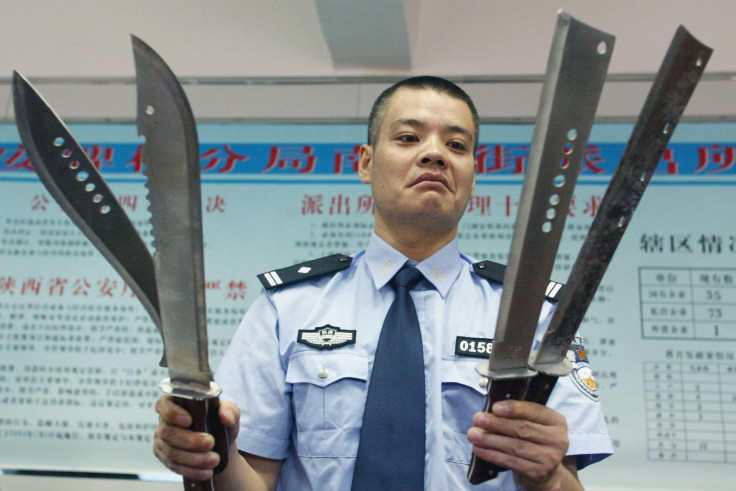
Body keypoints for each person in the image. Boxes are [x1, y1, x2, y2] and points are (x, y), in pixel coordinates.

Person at [153, 76, 613, 490]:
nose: (434, 154)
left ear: (474, 174)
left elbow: (566, 485)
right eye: (409, 137)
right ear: (366, 163)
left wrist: (549, 477)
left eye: (457, 146)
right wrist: (212, 455)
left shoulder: (534, 315)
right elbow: (252, 482)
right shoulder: (288, 308)